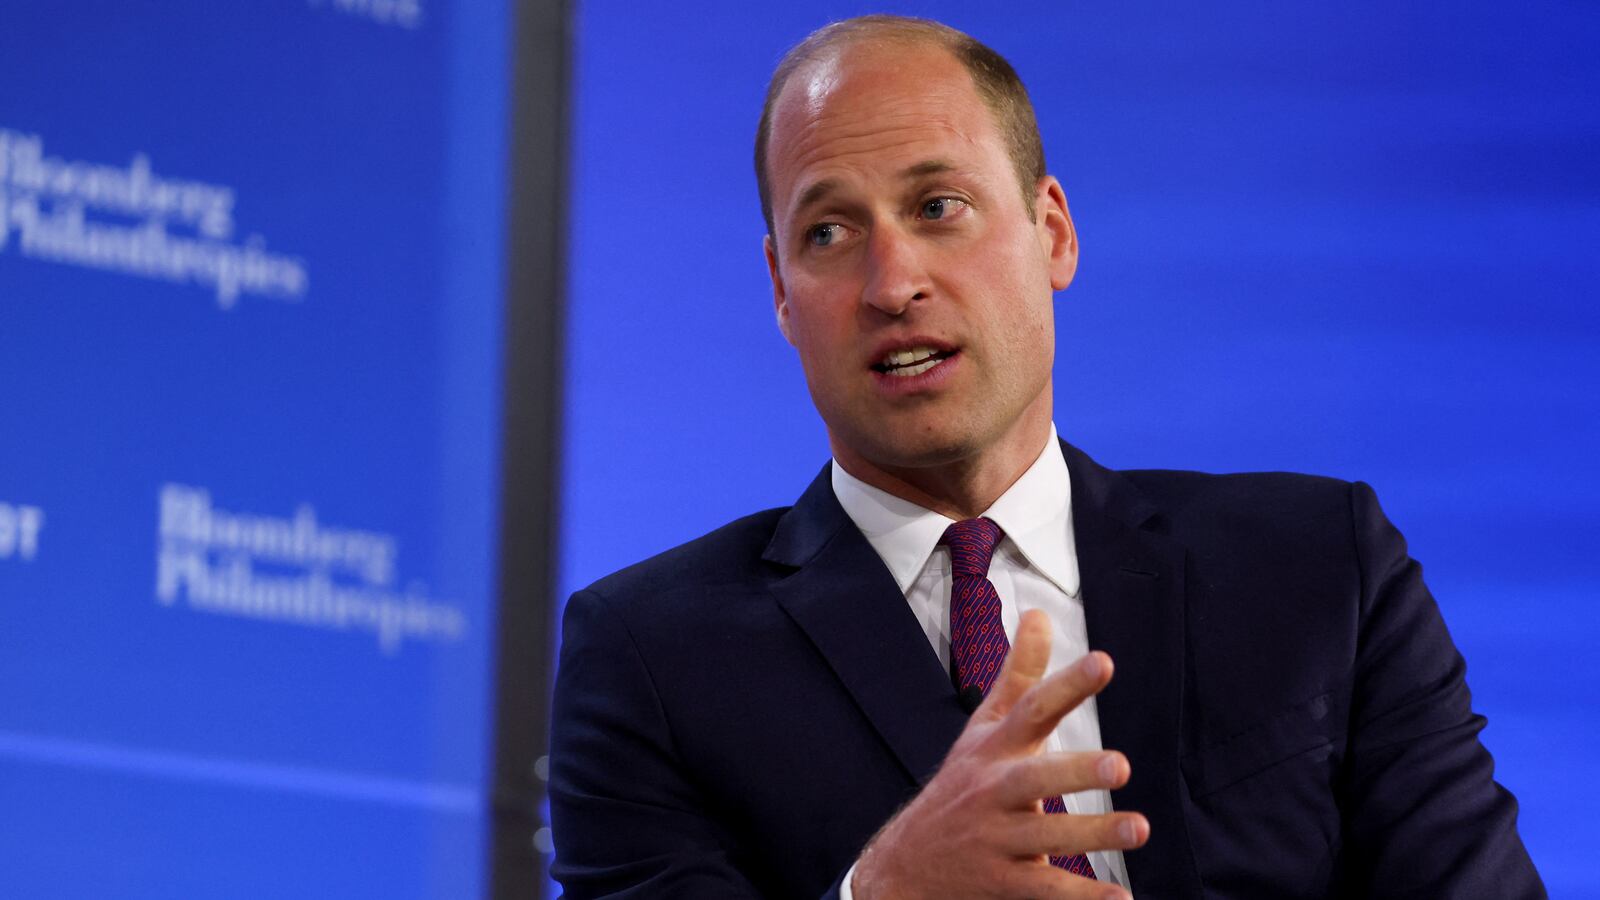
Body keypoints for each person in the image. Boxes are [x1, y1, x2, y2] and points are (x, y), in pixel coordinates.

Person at [548, 15, 1544, 899]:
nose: (892, 283)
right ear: (779, 289)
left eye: (939, 206)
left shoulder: (1319, 567)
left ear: (1053, 233)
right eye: (829, 231)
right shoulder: (649, 661)